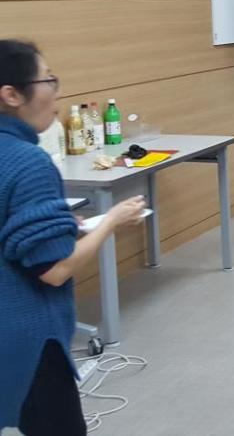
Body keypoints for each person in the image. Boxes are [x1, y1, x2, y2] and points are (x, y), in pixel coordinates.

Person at [0, 40, 146, 436]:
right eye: (47, 80)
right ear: (11, 94)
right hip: (27, 338)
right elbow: (54, 270)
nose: (56, 92)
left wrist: (60, 226)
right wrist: (111, 220)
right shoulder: (28, 162)